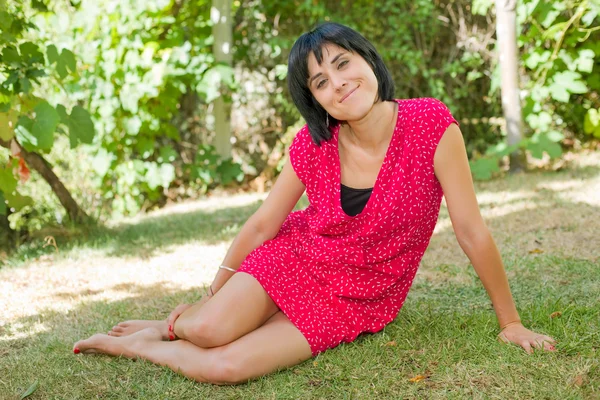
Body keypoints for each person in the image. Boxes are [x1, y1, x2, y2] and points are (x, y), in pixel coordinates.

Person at [73, 22, 556, 385]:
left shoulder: (431, 124)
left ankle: (142, 346)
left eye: (342, 63)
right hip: (295, 260)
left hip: (358, 295)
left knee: (226, 365)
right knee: (206, 329)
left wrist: (509, 322)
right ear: (316, 101)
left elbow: (471, 231)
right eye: (320, 82)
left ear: (367, 60)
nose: (338, 83)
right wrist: (213, 294)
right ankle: (176, 323)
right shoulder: (313, 143)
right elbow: (265, 222)